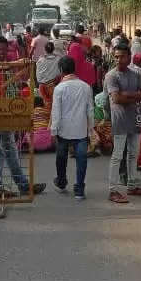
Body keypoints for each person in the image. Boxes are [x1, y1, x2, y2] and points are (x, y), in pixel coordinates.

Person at [0, 37, 46, 197]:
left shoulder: (1, 65)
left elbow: (15, 75)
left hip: (2, 113)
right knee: (10, 151)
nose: (0, 52)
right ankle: (23, 185)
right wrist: (18, 61)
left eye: (3, 49)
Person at [104, 43, 141, 203]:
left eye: (121, 56)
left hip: (135, 118)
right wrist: (135, 95)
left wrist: (127, 95)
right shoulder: (111, 76)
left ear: (129, 57)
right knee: (117, 155)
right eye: (116, 56)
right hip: (120, 120)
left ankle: (131, 185)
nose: (118, 60)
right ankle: (113, 189)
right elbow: (116, 99)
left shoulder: (136, 74)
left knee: (133, 154)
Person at [50, 56, 94, 200]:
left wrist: (53, 130)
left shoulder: (59, 88)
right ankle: (79, 190)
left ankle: (61, 182)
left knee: (61, 157)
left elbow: (56, 112)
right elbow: (90, 110)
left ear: (61, 70)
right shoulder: (86, 86)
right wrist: (91, 129)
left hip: (63, 130)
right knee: (81, 159)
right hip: (81, 130)